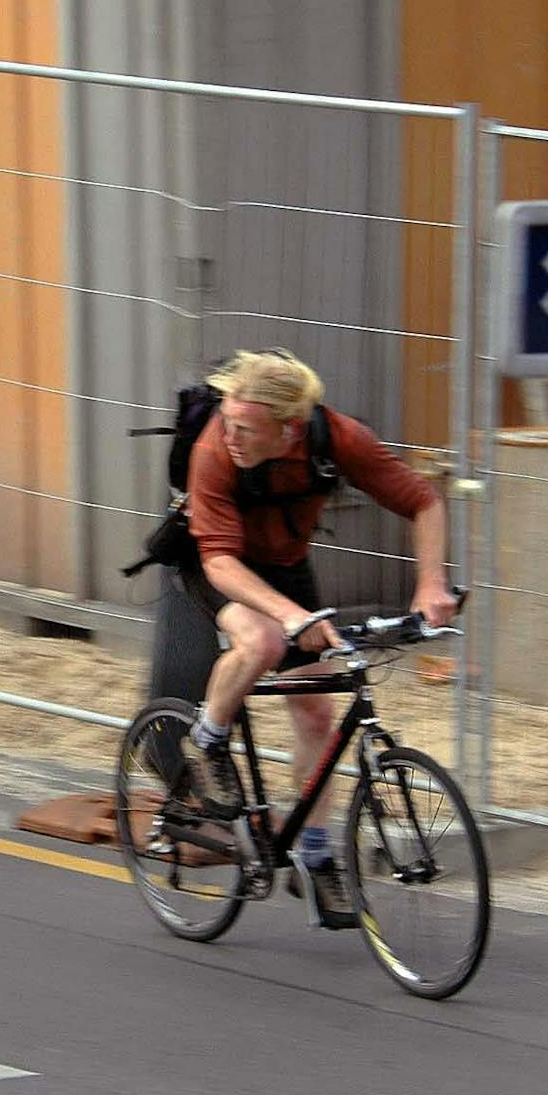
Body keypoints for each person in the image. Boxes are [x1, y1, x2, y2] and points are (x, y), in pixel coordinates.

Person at [177, 348, 454, 924]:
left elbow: (423, 501)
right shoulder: (213, 452)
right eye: (227, 420)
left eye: (246, 429)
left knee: (318, 715)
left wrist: (430, 584)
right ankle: (205, 738)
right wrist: (290, 617)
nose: (231, 435)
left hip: (284, 566)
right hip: (217, 562)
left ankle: (317, 851)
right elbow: (221, 563)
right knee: (262, 642)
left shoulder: (336, 438)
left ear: (290, 429)